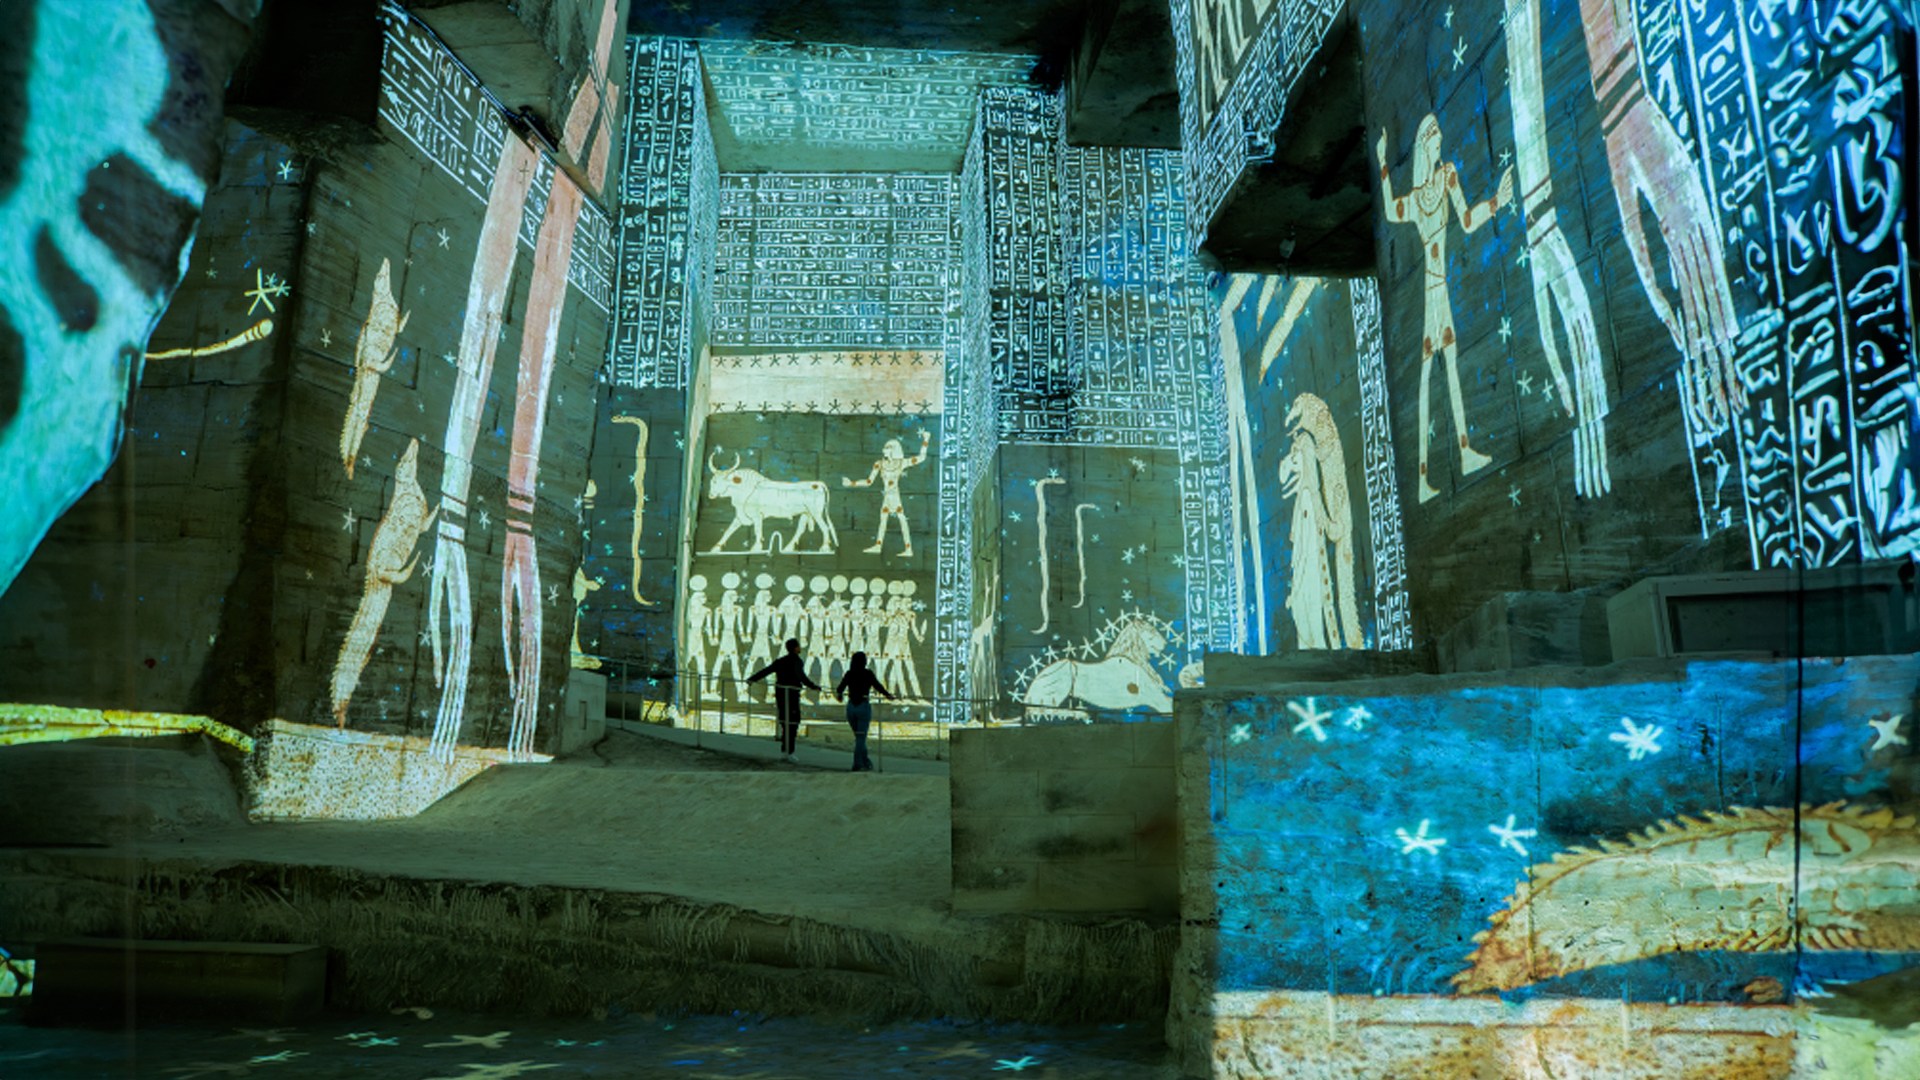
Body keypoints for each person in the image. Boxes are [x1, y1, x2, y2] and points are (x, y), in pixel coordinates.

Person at [748, 638, 819, 763]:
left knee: (784, 722)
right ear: (795, 648)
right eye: (798, 646)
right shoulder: (797, 661)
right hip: (792, 695)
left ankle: (785, 751)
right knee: (793, 722)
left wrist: (752, 679)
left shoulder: (781, 661)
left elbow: (767, 670)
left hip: (781, 694)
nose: (800, 648)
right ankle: (789, 751)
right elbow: (801, 676)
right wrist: (813, 686)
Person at [834, 651, 893, 772]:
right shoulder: (868, 674)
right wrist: (887, 695)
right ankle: (858, 763)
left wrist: (839, 696)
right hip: (863, 705)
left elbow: (840, 688)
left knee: (858, 737)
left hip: (851, 706)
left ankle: (865, 761)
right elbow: (877, 686)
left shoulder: (849, 673)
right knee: (860, 737)